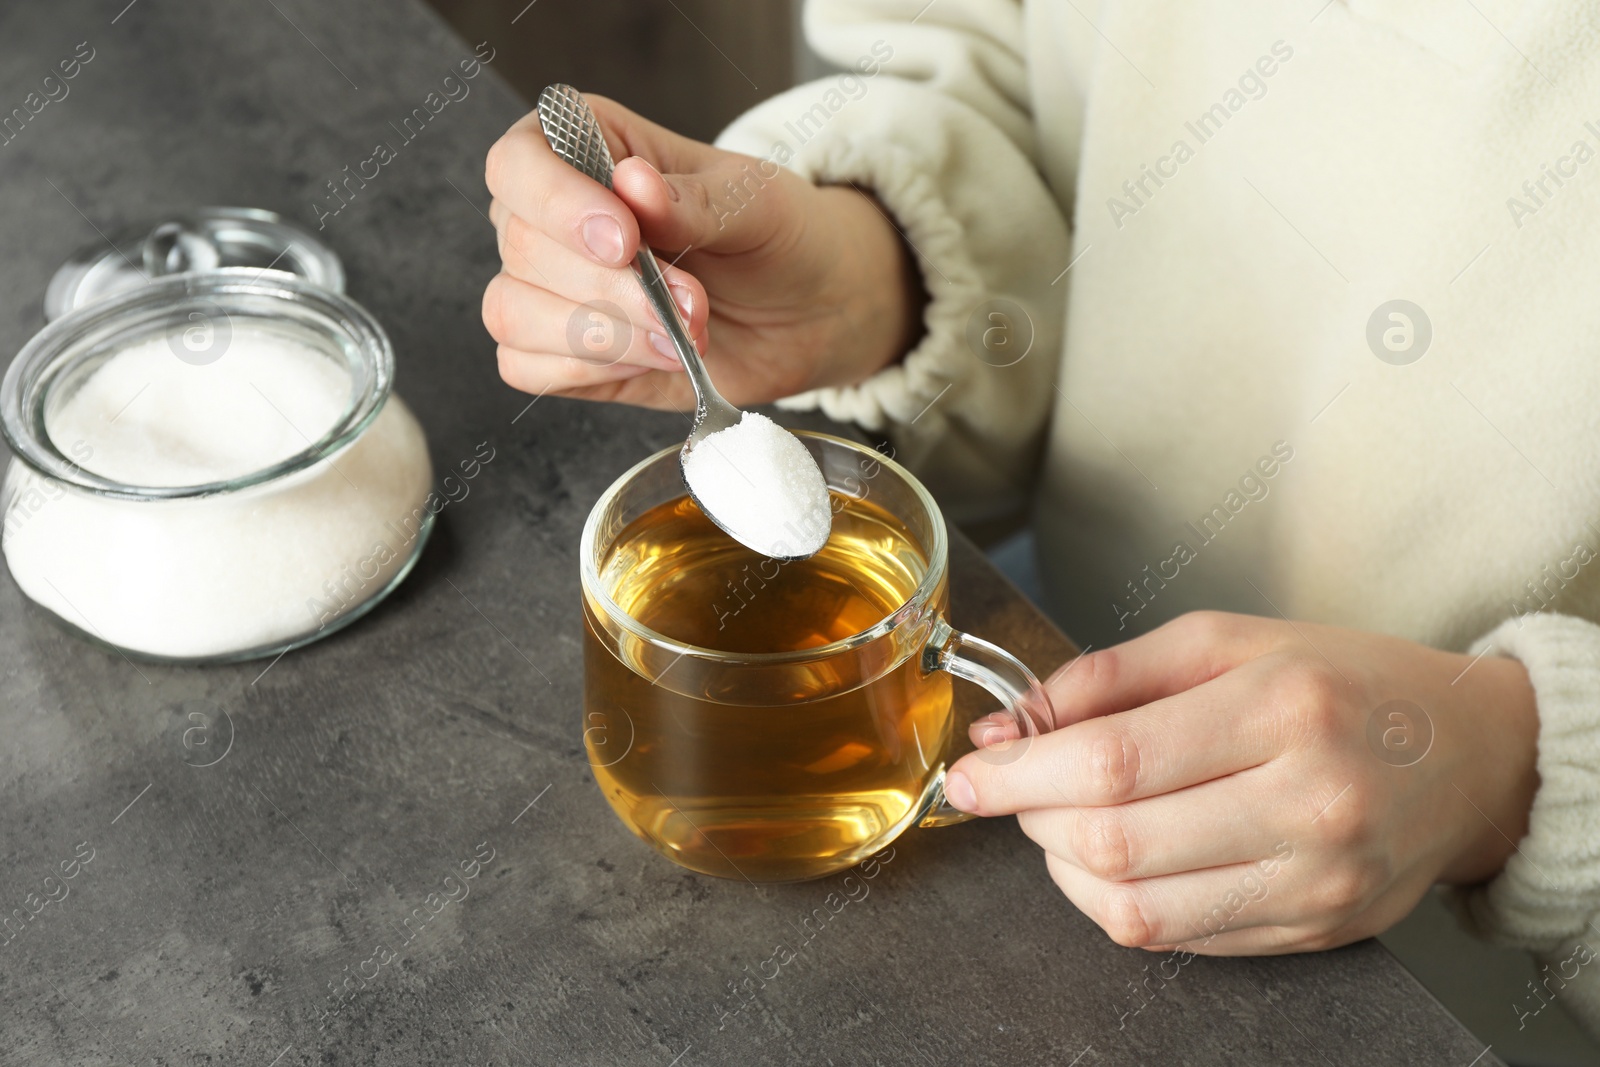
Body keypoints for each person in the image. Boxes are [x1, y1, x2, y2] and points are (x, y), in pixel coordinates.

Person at [481, 0, 1600, 1041]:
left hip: (1468, 997)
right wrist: (882, 281)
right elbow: (977, 52)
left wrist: (1513, 767)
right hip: (1075, 665)